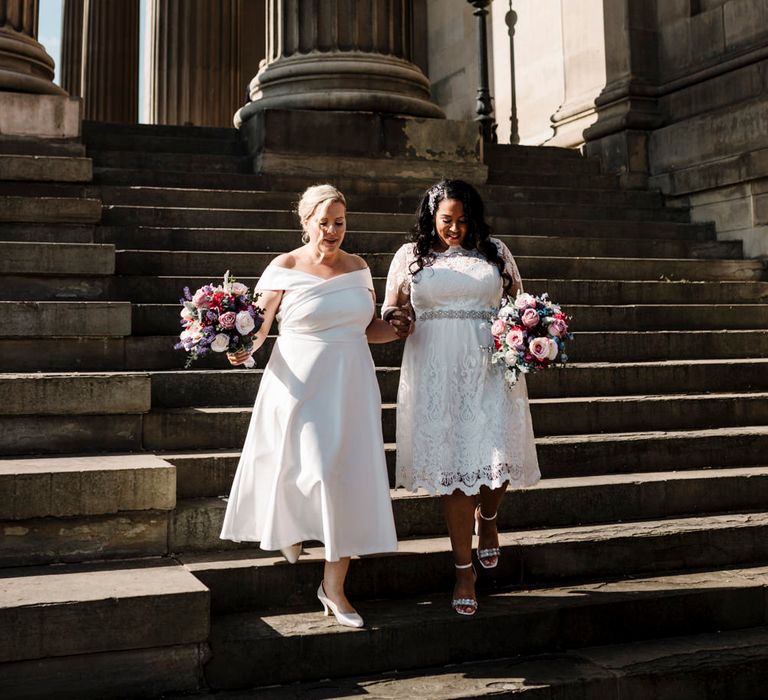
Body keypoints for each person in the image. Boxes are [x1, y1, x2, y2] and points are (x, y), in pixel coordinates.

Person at [221, 184, 408, 628]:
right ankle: (291, 528)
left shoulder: (359, 267)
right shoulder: (284, 266)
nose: (332, 231)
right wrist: (239, 346)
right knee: (310, 470)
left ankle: (335, 589)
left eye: (339, 222)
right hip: (300, 385)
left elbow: (368, 329)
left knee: (342, 478)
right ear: (306, 223)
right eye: (323, 222)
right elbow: (260, 326)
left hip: (351, 383)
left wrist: (398, 328)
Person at [382, 179, 540, 616]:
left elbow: (520, 302)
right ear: (431, 218)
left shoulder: (496, 252)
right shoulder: (410, 256)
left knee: (499, 457)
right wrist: (397, 317)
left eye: (462, 220)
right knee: (453, 470)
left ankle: (488, 519)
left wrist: (534, 332)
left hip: (491, 366)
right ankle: (463, 570)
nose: (454, 229)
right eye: (446, 220)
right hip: (435, 370)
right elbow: (390, 306)